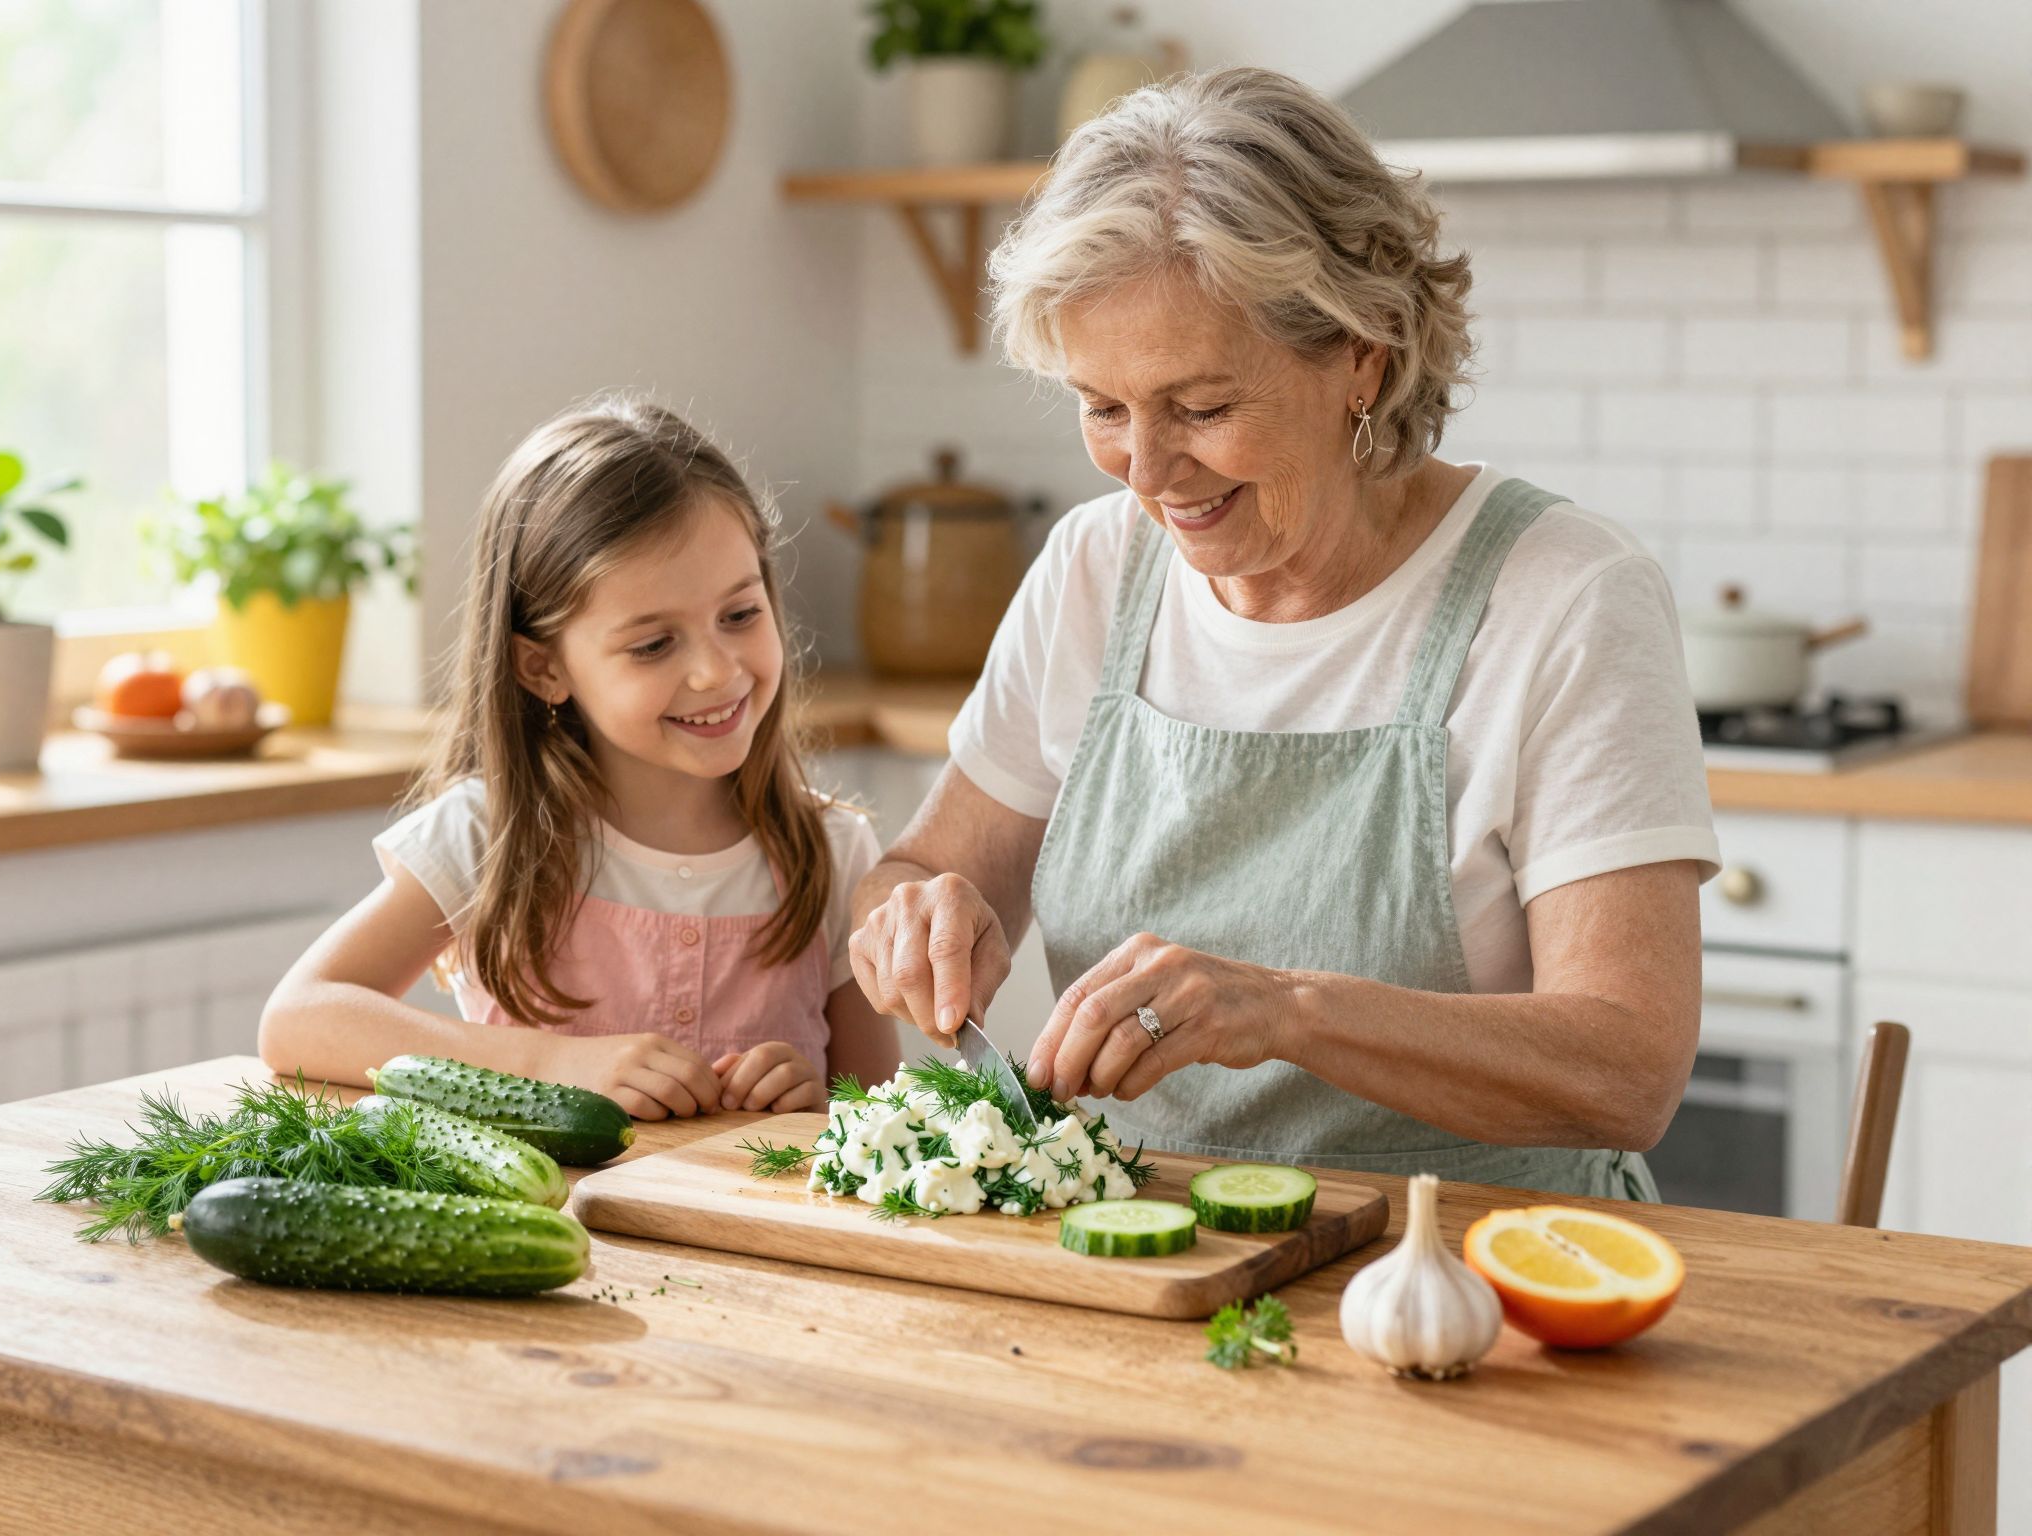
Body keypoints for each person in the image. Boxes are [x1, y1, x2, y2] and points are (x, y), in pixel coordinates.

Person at [847, 69, 1719, 1199]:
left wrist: (1287, 1012)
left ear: (1364, 352)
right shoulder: (1092, 568)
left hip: (1474, 1280)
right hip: (1144, 1259)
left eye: (1202, 408)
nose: (1147, 473)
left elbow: (1626, 1069)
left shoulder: (1563, 596)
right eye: (1102, 407)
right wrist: (909, 917)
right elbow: (917, 872)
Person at [262, 397, 898, 1118]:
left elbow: (877, 1118)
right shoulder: (487, 835)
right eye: (654, 644)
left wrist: (814, 1102)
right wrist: (551, 1062)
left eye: (741, 615)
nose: (717, 673)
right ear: (543, 670)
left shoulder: (834, 852)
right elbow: (299, 1018)